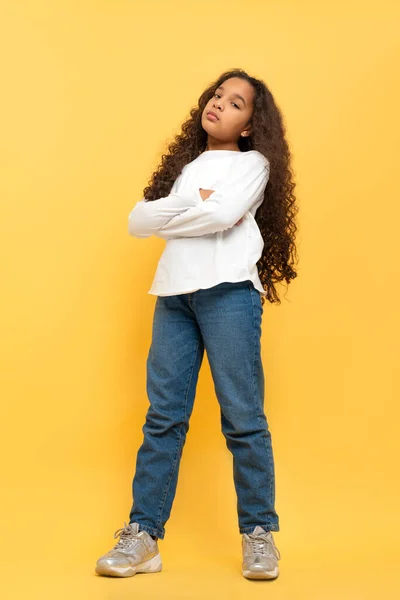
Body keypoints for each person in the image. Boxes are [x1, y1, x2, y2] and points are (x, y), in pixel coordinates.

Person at [95, 68, 298, 580]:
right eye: (216, 96)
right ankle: (144, 536)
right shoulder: (187, 166)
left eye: (235, 103)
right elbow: (138, 221)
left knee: (244, 419)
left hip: (229, 293)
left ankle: (258, 534)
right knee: (163, 417)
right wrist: (196, 206)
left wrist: (186, 212)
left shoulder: (254, 164)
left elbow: (223, 214)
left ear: (252, 124)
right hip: (173, 296)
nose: (219, 104)